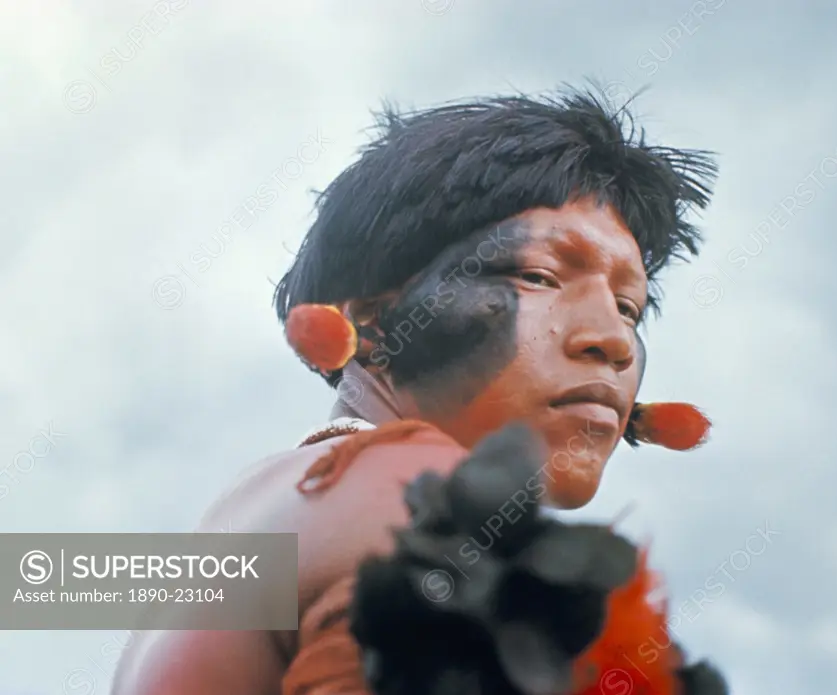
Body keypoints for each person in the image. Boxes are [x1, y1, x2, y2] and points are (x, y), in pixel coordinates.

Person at [112, 85, 719, 695]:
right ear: (373, 321)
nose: (611, 340)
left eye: (629, 309)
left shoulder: (272, 505)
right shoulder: (408, 495)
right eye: (538, 276)